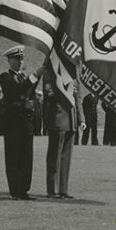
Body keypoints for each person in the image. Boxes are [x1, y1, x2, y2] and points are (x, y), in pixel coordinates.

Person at [0, 46, 44, 201]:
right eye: (16, 59)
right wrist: (34, 76)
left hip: (25, 122)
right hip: (13, 123)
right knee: (13, 157)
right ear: (9, 60)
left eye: (21, 59)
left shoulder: (23, 77)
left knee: (26, 156)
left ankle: (24, 189)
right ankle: (14, 190)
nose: (20, 62)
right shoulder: (5, 77)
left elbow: (27, 91)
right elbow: (15, 92)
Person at [43, 68, 84, 199]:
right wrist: (67, 88)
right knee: (54, 156)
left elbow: (78, 99)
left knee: (66, 157)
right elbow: (49, 95)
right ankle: (52, 189)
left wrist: (81, 119)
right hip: (58, 117)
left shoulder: (73, 75)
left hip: (71, 120)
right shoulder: (51, 72)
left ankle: (63, 189)